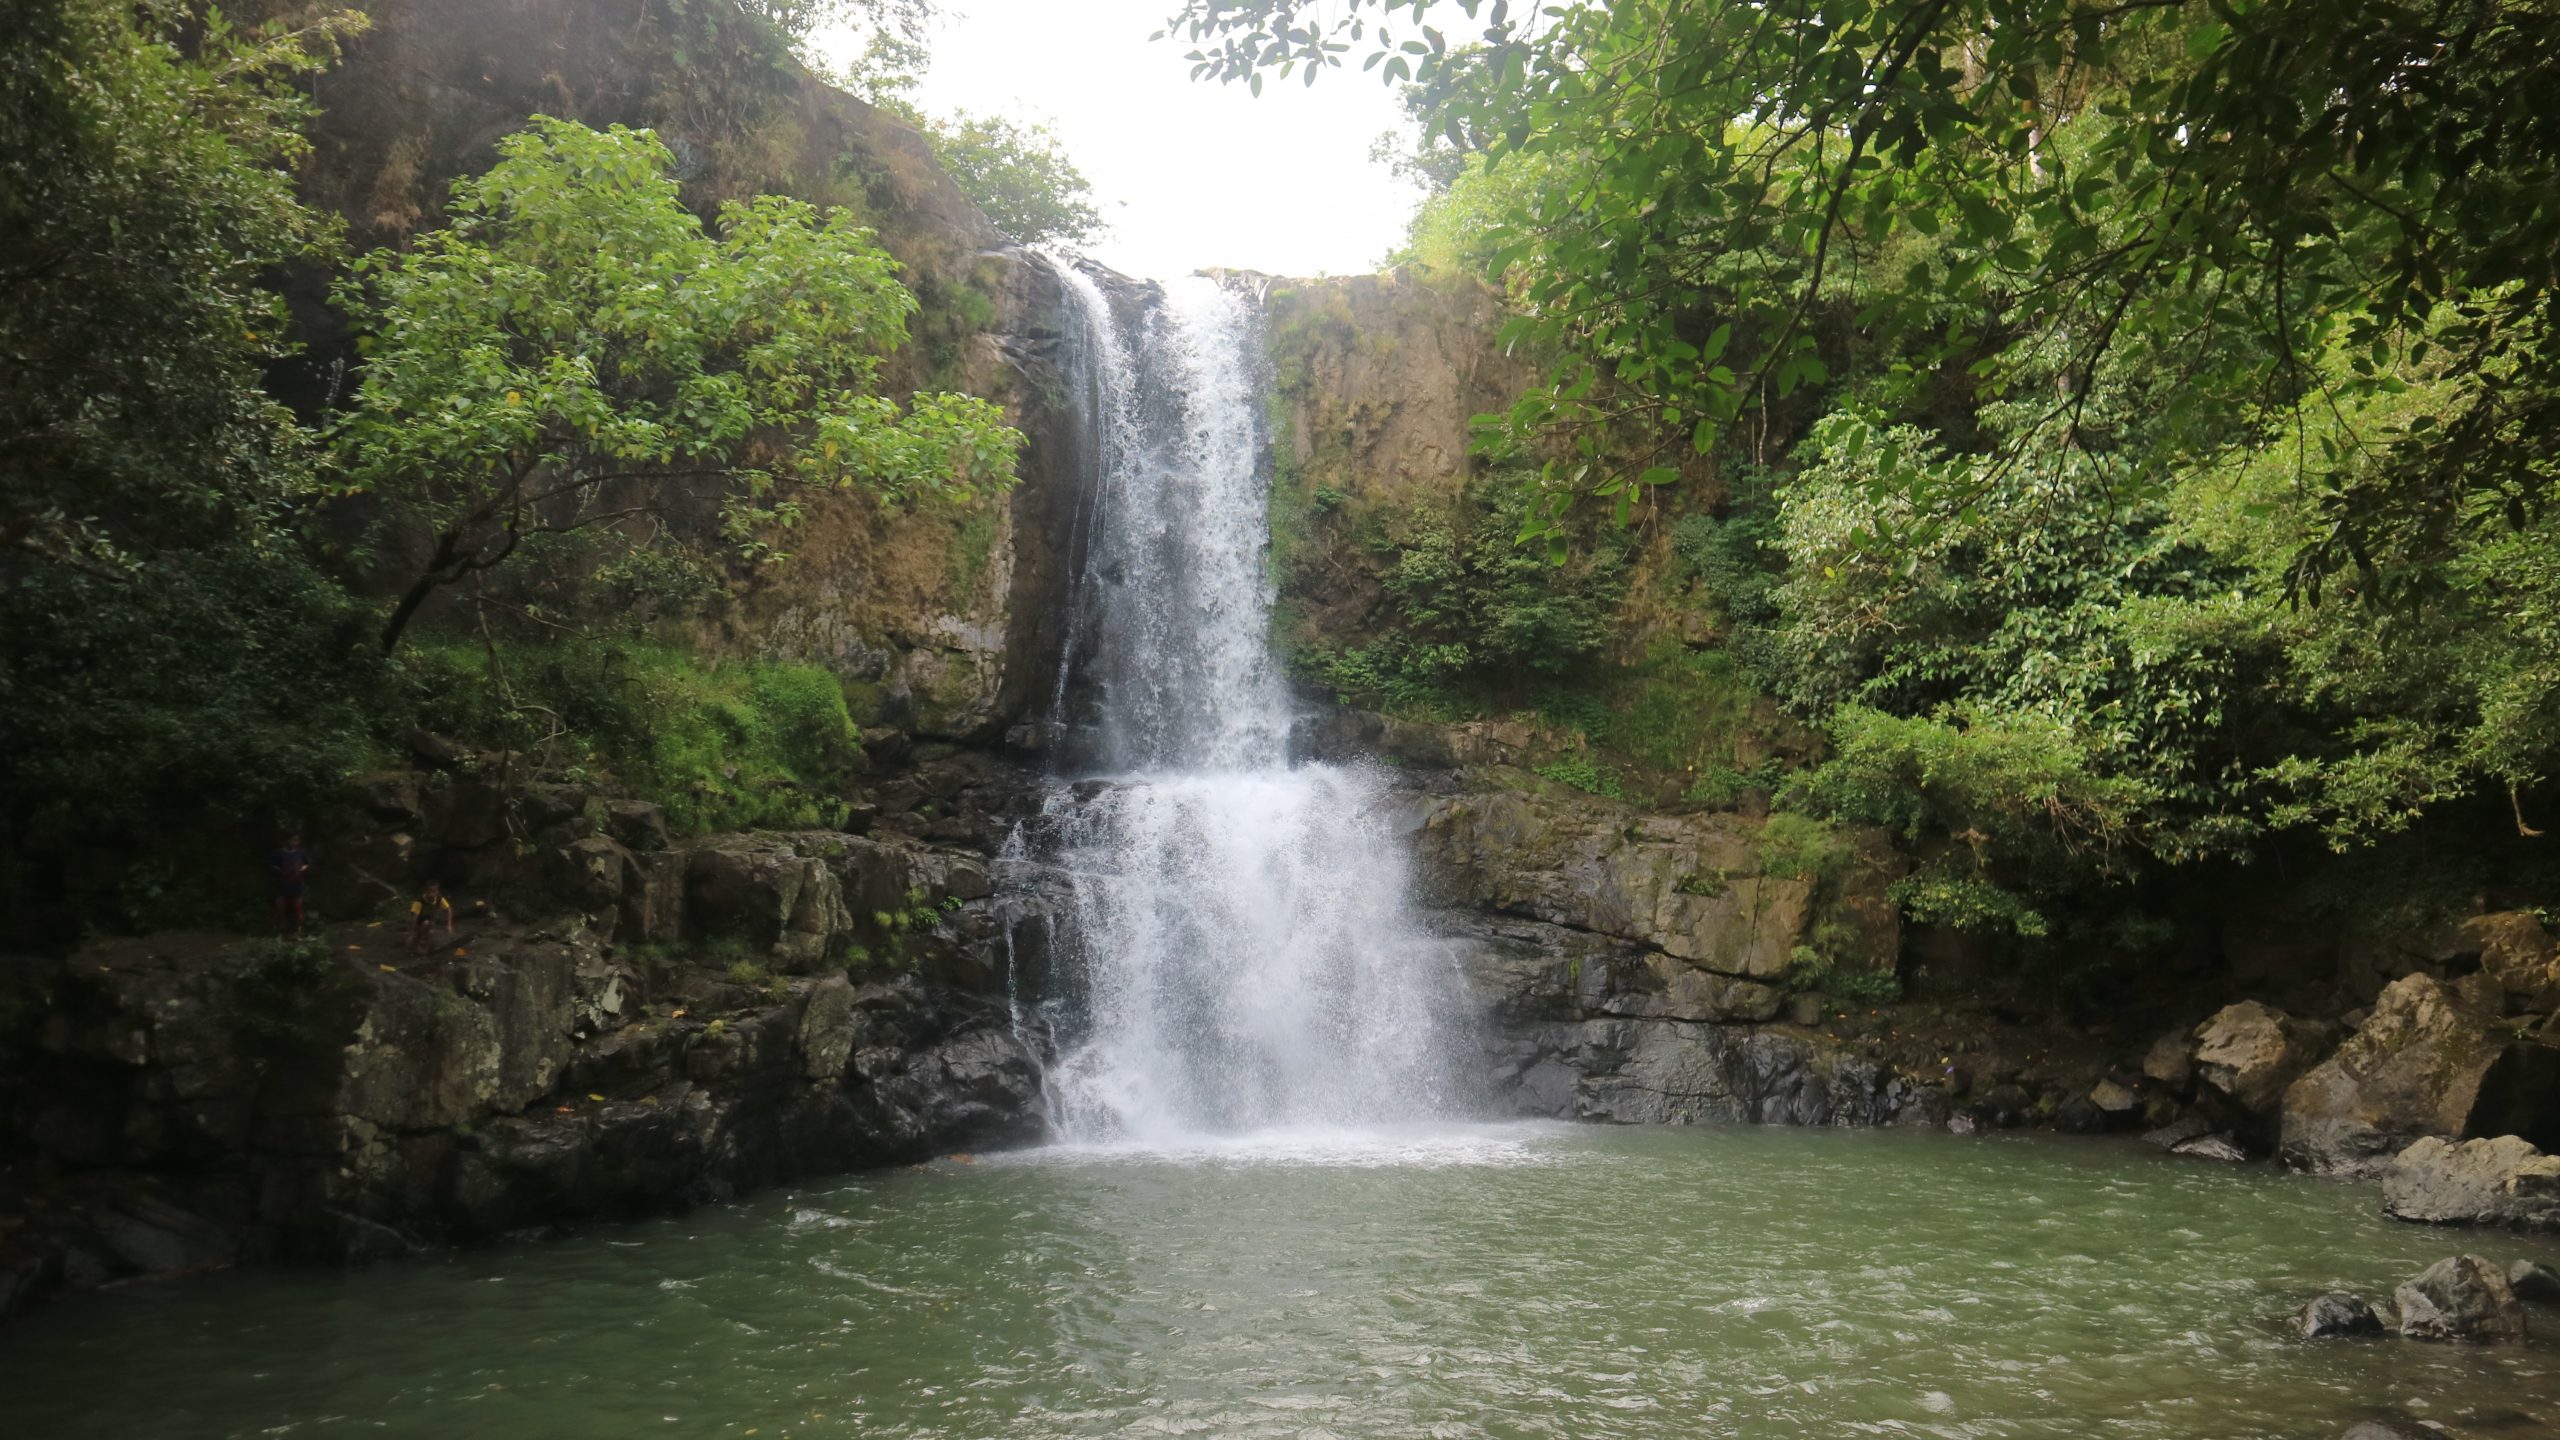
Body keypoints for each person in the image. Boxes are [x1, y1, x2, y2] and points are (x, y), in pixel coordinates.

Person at [268, 834, 311, 935]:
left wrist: (301, 869)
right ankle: (280, 931)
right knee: (280, 910)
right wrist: (281, 871)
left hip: (296, 884)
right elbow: (272, 864)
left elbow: (307, 863)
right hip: (282, 885)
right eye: (292, 840)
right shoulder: (278, 853)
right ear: (286, 840)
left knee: (298, 909)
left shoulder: (301, 852)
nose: (294, 843)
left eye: (296, 840)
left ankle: (299, 930)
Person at [409, 881, 455, 955]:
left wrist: (449, 925)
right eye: (429, 891)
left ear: (437, 891)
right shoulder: (419, 901)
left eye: (434, 891)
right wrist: (414, 930)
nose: (432, 894)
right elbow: (414, 917)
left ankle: (426, 950)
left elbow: (448, 910)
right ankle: (416, 945)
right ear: (426, 891)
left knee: (430, 932)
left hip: (430, 919)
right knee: (418, 934)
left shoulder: (439, 899)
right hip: (418, 921)